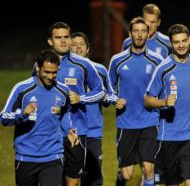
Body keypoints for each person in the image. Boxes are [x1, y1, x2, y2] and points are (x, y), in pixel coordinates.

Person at [0, 50, 78, 186]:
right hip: (26, 157)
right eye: (46, 72)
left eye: (54, 72)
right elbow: (3, 117)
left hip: (53, 156)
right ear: (38, 67)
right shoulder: (22, 89)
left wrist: (69, 130)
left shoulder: (63, 90)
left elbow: (64, 113)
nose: (50, 76)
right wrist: (22, 114)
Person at [144, 23, 190, 186]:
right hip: (168, 138)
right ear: (171, 43)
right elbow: (147, 100)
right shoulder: (163, 69)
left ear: (189, 40)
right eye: (176, 42)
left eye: (184, 41)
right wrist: (164, 102)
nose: (181, 45)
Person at [47, 22, 105, 186]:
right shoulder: (41, 65)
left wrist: (82, 98)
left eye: (66, 37)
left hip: (76, 132)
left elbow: (101, 91)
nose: (63, 41)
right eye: (58, 38)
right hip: (49, 132)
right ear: (50, 41)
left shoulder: (83, 64)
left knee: (74, 181)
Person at [109, 17, 163, 186]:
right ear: (130, 33)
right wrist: (114, 99)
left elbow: (163, 89)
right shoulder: (117, 60)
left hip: (150, 121)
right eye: (136, 31)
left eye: (143, 31)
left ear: (148, 34)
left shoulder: (157, 61)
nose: (139, 35)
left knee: (149, 169)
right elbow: (108, 88)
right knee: (127, 175)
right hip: (126, 122)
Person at [71, 31, 114, 186]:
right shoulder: (61, 69)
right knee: (71, 177)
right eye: (74, 45)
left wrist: (95, 97)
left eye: (81, 44)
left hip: (93, 132)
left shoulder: (100, 70)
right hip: (70, 132)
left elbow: (109, 97)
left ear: (88, 49)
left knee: (94, 179)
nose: (78, 48)